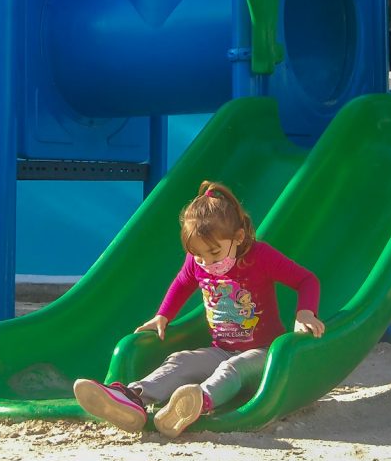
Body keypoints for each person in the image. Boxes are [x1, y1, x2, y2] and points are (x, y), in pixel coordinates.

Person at [73, 180, 325, 437]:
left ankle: (198, 402)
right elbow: (182, 283)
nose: (206, 263)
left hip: (263, 354)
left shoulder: (259, 256)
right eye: (199, 256)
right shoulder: (197, 263)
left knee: (232, 369)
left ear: (238, 237)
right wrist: (164, 315)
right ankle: (133, 396)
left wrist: (305, 312)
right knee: (181, 361)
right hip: (221, 349)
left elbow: (307, 280)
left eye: (214, 254)